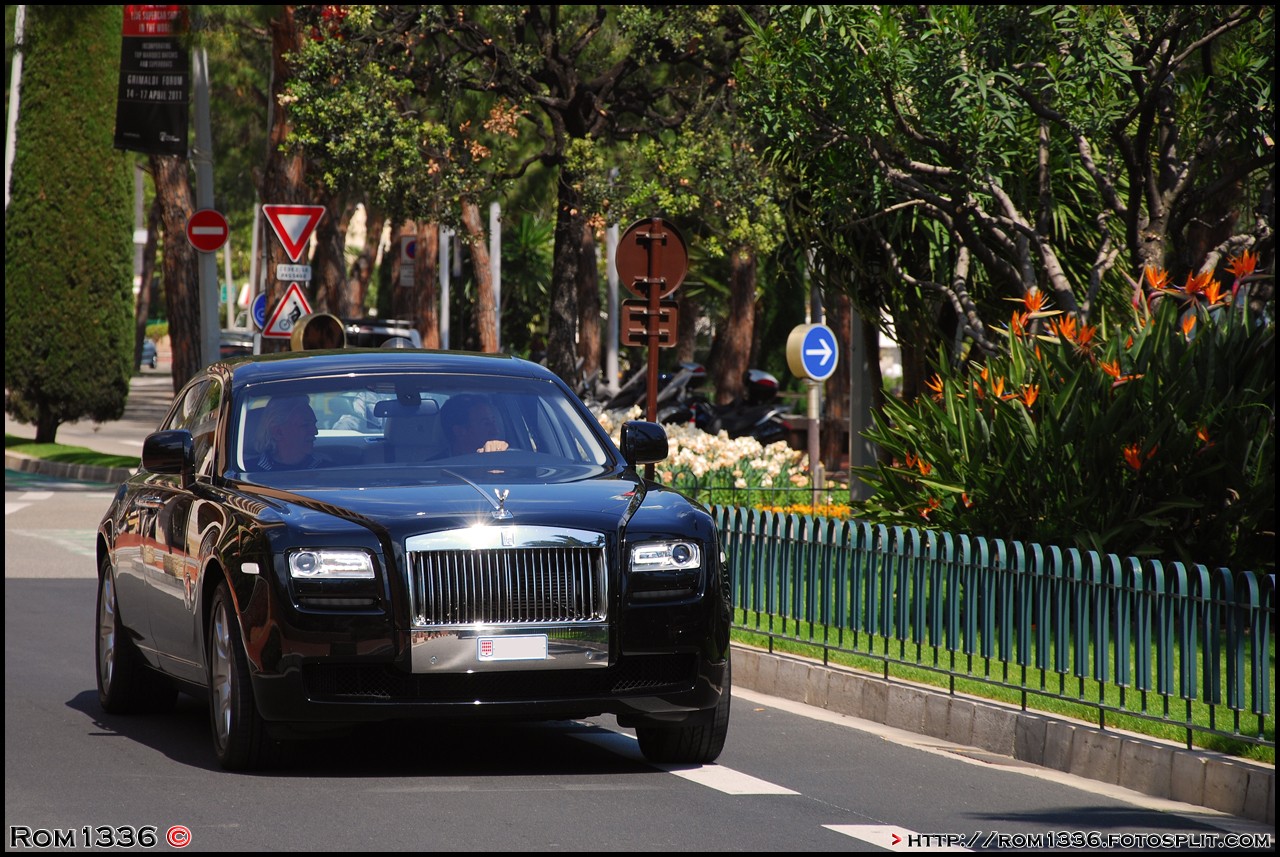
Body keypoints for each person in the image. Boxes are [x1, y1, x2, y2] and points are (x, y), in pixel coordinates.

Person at [254, 395, 323, 469]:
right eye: (305, 425)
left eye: (313, 424)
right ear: (278, 432)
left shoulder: (326, 469)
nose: (315, 432)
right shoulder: (247, 471)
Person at [440, 394, 509, 455]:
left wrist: (498, 454)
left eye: (493, 422)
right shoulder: (436, 466)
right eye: (486, 424)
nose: (496, 431)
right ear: (459, 431)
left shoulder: (501, 456)